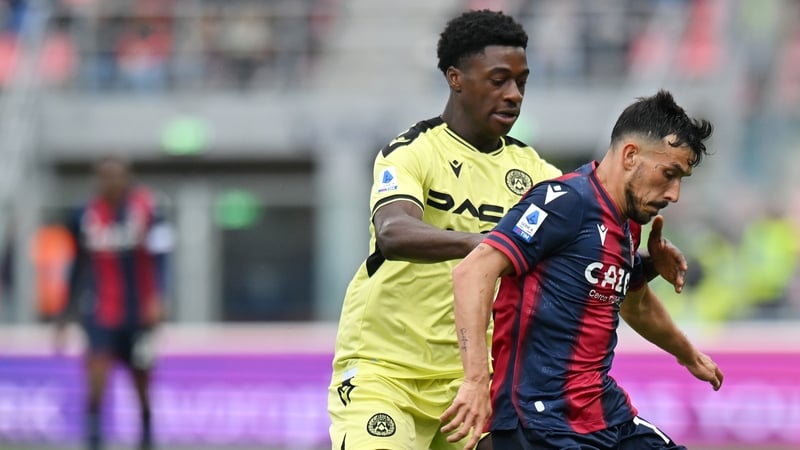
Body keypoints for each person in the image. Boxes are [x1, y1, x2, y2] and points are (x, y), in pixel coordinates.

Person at [328, 10, 691, 450]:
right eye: (499, 80)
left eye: (521, 81)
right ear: (456, 78)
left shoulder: (536, 172)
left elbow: (579, 264)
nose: (514, 95)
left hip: (477, 382)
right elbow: (393, 232)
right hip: (386, 373)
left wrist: (644, 266)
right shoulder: (411, 152)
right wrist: (489, 246)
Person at [441, 90, 724, 450]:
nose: (674, 194)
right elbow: (473, 272)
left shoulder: (627, 224)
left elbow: (633, 302)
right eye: (669, 174)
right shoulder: (565, 202)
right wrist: (475, 382)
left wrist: (688, 354)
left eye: (681, 178)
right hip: (540, 420)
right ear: (631, 155)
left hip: (604, 414)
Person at [55, 156, 172, 450]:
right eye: (107, 175)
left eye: (118, 175)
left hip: (139, 314)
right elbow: (78, 265)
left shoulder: (149, 207)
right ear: (99, 177)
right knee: (95, 382)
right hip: (100, 312)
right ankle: (93, 441)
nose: (113, 181)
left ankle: (146, 439)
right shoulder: (85, 213)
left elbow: (162, 258)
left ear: (128, 176)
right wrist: (66, 312)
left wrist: (159, 296)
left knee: (142, 384)